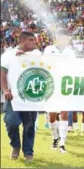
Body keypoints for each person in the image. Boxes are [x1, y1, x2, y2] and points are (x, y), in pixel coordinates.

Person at [1, 31, 42, 161]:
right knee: (11, 122)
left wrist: (26, 58)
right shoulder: (8, 55)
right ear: (22, 40)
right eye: (31, 40)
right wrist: (5, 90)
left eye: (34, 40)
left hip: (31, 96)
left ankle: (28, 152)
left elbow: (43, 69)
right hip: (13, 96)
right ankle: (15, 145)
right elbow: (2, 74)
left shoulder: (37, 54)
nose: (34, 43)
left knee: (29, 125)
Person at [43, 32, 76, 153]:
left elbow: (74, 66)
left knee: (64, 113)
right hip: (51, 84)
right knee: (52, 115)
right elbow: (44, 64)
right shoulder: (48, 49)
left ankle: (62, 143)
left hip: (65, 85)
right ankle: (55, 138)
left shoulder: (70, 52)